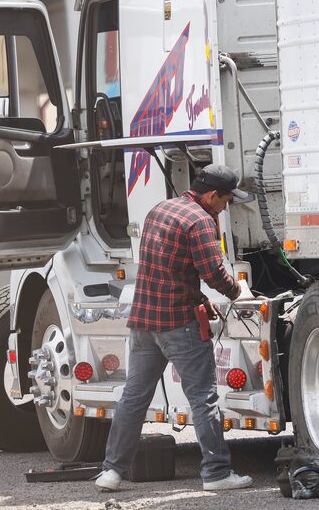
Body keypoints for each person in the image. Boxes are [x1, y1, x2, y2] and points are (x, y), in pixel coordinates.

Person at [94, 164, 253, 492]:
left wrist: (197, 296)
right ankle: (217, 473)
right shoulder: (200, 220)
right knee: (204, 398)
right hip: (178, 323)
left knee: (135, 397)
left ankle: (112, 472)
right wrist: (241, 293)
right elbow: (212, 272)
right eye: (225, 200)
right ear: (211, 195)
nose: (226, 206)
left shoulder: (160, 209)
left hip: (144, 321)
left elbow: (165, 265)